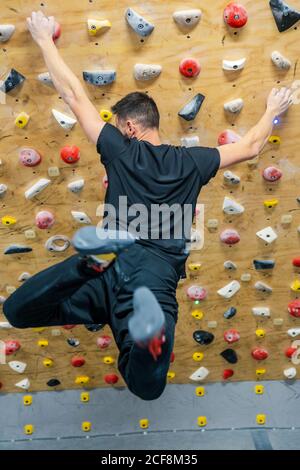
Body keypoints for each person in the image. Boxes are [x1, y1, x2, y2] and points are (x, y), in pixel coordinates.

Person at [3, 11, 292, 401]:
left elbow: (72, 94)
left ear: (130, 128)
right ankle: (147, 336)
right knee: (147, 386)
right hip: (152, 281)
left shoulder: (121, 150)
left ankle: (83, 264)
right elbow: (252, 146)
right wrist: (273, 108)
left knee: (20, 313)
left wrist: (43, 39)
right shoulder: (192, 161)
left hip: (105, 271)